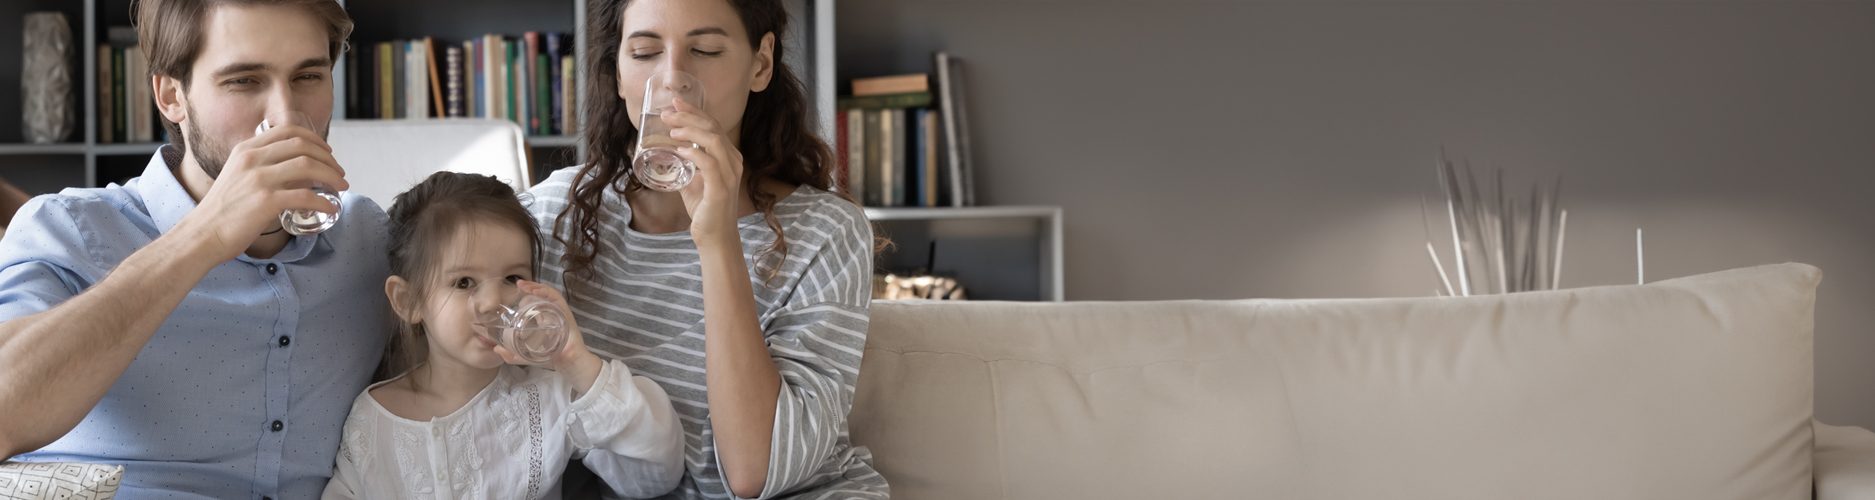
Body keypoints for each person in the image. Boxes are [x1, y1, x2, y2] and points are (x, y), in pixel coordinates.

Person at [0, 1, 385, 497]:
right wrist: (203, 236)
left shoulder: (370, 240)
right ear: (170, 96)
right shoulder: (68, 229)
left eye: (308, 77)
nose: (286, 117)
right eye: (244, 81)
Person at [526, 0, 887, 497]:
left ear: (760, 64)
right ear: (618, 75)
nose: (673, 78)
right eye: (646, 52)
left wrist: (718, 239)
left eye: (706, 49)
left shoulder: (825, 230)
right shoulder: (554, 215)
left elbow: (754, 474)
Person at [323, 172, 686, 499]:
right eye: (464, 282)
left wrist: (577, 363)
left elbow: (656, 472)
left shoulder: (550, 398)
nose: (494, 301)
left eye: (513, 278)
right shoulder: (371, 420)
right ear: (408, 300)